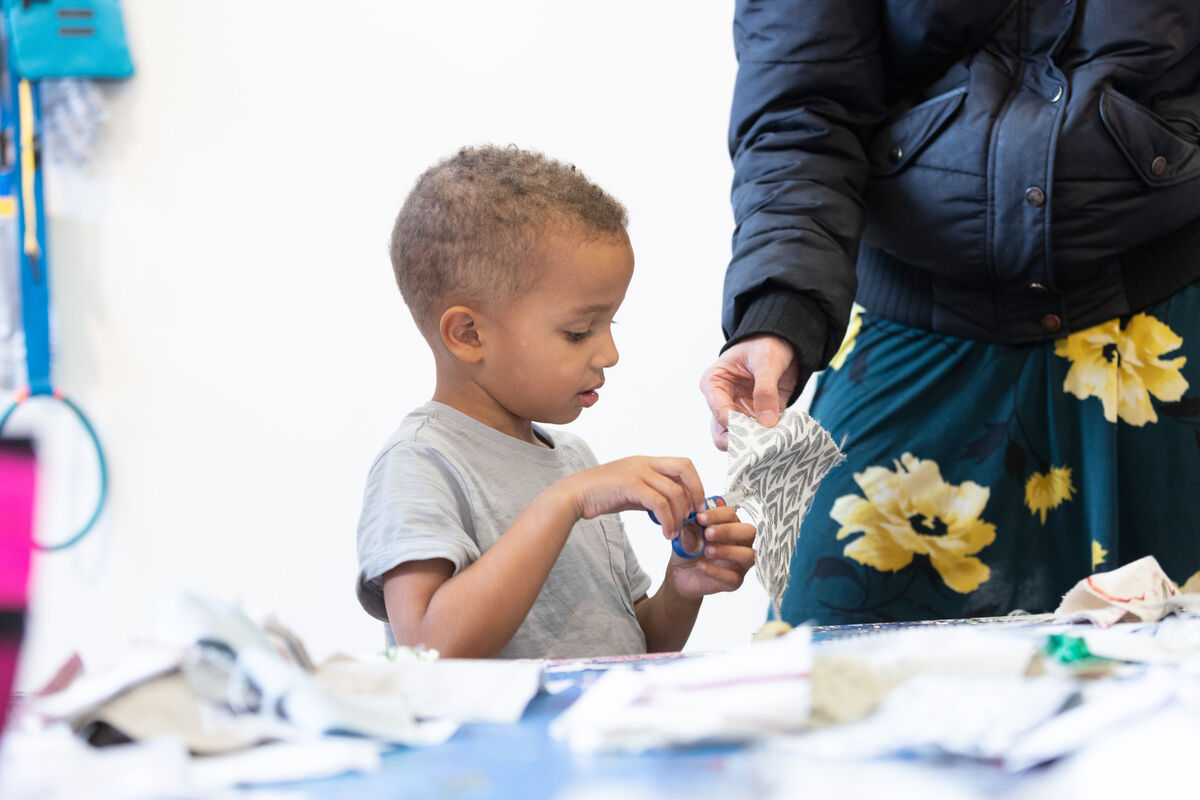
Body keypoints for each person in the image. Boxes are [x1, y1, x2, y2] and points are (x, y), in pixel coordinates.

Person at [701, 1, 1200, 626]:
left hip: (1168, 323)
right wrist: (780, 313)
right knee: (832, 682)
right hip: (918, 329)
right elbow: (801, 112)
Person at [356, 145, 757, 659]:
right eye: (577, 332)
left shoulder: (573, 460)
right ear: (468, 334)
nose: (609, 353)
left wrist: (682, 585)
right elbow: (429, 652)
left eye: (609, 325)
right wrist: (566, 501)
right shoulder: (420, 463)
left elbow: (636, 647)